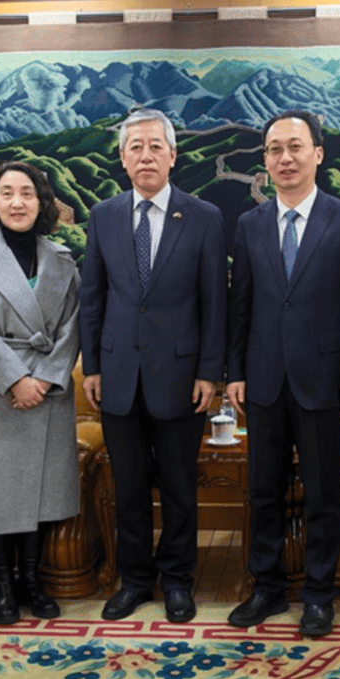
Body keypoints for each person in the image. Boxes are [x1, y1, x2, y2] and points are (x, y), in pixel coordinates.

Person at [226, 109, 340, 638]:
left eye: (294, 147)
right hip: (263, 381)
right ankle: (265, 587)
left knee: (321, 494)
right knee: (263, 491)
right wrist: (235, 371)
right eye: (273, 150)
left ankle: (318, 594)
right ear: (264, 161)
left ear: (318, 154)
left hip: (323, 382)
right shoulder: (249, 225)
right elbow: (238, 305)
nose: (284, 158)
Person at [79, 108, 227, 623]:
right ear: (122, 158)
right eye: (135, 147)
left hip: (183, 379)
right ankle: (136, 579)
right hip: (117, 377)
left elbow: (215, 300)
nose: (145, 155)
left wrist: (211, 372)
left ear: (173, 154)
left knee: (181, 487)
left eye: (154, 146)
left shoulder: (204, 216)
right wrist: (92, 365)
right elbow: (92, 297)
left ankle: (179, 580)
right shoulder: (104, 216)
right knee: (130, 488)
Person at [0, 162, 81, 625]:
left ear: (42, 202)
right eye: (7, 193)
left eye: (27, 193)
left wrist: (44, 379)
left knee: (42, 494)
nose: (17, 202)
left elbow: (72, 326)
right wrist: (15, 380)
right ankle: (3, 587)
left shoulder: (62, 258)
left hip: (47, 391)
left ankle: (32, 582)